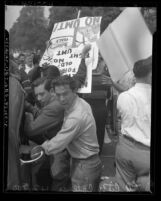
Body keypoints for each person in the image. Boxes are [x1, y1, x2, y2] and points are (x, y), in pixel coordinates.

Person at [24, 45, 91, 191]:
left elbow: (31, 130)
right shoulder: (67, 88)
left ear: (51, 88)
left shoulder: (54, 106)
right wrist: (82, 59)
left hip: (61, 147)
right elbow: (79, 77)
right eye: (37, 95)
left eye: (42, 94)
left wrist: (27, 110)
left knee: (58, 176)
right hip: (65, 144)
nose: (39, 98)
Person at [33, 75, 102, 192]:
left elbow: (58, 143)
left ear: (74, 90)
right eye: (58, 94)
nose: (61, 99)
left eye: (65, 94)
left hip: (84, 165)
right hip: (86, 162)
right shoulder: (79, 102)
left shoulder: (76, 117)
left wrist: (42, 147)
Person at [115, 56, 152, 191]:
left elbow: (122, 118)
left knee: (126, 187)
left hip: (126, 147)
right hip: (146, 152)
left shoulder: (124, 96)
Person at [82, 56, 112, 154]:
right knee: (100, 130)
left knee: (87, 131)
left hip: (87, 108)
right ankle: (99, 151)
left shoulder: (84, 78)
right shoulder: (106, 79)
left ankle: (89, 150)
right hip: (101, 108)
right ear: (99, 65)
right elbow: (108, 95)